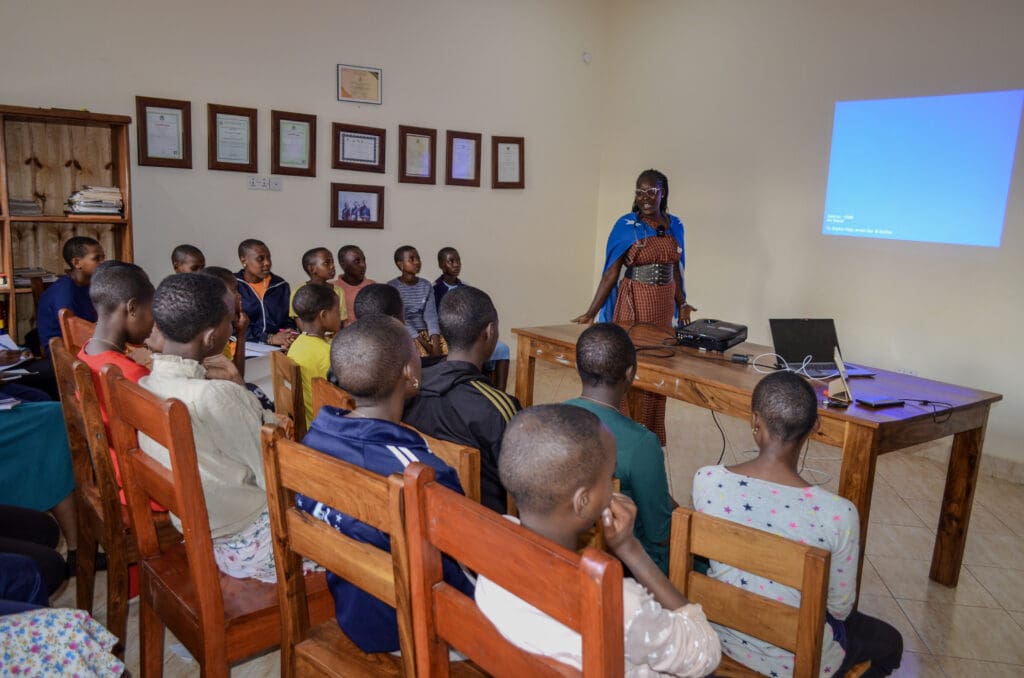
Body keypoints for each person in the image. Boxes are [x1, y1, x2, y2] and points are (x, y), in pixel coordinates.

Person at [475, 404, 721, 676]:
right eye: (609, 476)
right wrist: (632, 550)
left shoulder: (491, 546)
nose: (613, 483)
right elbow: (706, 654)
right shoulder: (616, 601)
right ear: (583, 501)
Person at [692, 371, 903, 677]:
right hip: (793, 660)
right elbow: (839, 610)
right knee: (890, 643)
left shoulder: (708, 480)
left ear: (754, 421)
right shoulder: (838, 513)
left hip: (720, 638)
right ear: (816, 427)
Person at [297, 315, 474, 653]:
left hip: (353, 610)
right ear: (409, 373)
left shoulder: (313, 439)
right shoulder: (422, 474)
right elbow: (465, 573)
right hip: (412, 629)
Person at [138, 273, 288, 582]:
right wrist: (243, 394)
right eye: (230, 322)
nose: (233, 328)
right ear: (210, 338)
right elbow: (275, 474)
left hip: (201, 526)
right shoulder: (216, 395)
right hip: (251, 541)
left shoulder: (148, 382)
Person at [572, 169, 696, 444]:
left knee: (658, 367)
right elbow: (610, 273)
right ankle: (622, 434)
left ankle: (649, 435)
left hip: (663, 306)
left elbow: (677, 269)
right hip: (634, 303)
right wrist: (592, 312)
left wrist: (683, 302)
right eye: (640, 191)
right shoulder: (626, 225)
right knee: (628, 366)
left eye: (651, 191)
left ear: (663, 193)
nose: (645, 197)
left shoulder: (675, 225)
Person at [564, 323, 674, 573]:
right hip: (623, 566)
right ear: (630, 373)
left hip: (563, 548)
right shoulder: (642, 443)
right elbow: (660, 533)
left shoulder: (545, 417)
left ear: (577, 366)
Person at [403, 286, 520, 513]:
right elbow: (520, 482)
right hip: (485, 521)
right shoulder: (498, 407)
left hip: (425, 506)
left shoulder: (410, 388)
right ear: (490, 331)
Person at [432, 246, 510, 390]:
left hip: (471, 333)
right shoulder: (434, 289)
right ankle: (473, 387)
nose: (456, 264)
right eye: (451, 261)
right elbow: (434, 318)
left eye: (458, 261)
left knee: (503, 349)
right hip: (450, 335)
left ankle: (500, 392)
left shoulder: (466, 287)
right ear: (441, 265)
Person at [37, 236, 105, 358]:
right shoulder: (64, 292)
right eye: (96, 259)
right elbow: (75, 333)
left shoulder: (91, 285)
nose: (102, 263)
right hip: (64, 354)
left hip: (87, 343)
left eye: (103, 258)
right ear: (76, 263)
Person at [287, 283, 343, 425]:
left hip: (309, 422)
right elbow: (344, 400)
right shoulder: (327, 354)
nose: (340, 316)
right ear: (323, 315)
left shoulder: (297, 344)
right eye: (337, 311)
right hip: (326, 425)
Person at [235, 238, 295, 347]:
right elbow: (231, 325)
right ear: (244, 260)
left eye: (269, 258)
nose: (267, 263)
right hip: (244, 346)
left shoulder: (280, 285)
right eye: (260, 259)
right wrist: (268, 338)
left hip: (277, 346)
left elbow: (288, 318)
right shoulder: (233, 285)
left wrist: (287, 335)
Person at [387, 245, 443, 357]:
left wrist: (435, 343)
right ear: (400, 264)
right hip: (405, 334)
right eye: (412, 259)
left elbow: (431, 316)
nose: (417, 262)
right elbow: (401, 319)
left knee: (446, 353)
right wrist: (425, 345)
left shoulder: (426, 285)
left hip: (426, 333)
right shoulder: (392, 287)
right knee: (418, 355)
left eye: (418, 258)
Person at [198, 266, 251, 380]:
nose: (239, 296)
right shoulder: (215, 334)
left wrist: (241, 332)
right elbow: (237, 377)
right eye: (234, 290)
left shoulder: (212, 324)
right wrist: (241, 335)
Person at [288, 247, 348, 326]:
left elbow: (343, 321)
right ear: (312, 269)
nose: (332, 266)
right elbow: (300, 323)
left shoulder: (338, 291)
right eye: (327, 263)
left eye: (332, 262)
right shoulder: (298, 291)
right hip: (310, 337)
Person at [333, 245, 374, 328]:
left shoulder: (373, 286)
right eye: (357, 261)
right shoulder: (333, 289)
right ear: (343, 264)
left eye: (364, 260)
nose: (363, 265)